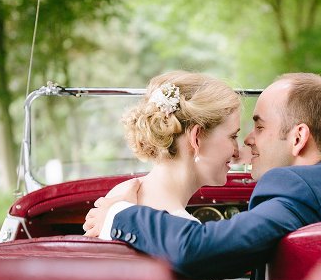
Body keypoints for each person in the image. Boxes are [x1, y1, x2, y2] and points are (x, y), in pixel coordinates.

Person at [83, 72, 321, 280]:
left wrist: (118, 214)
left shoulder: (295, 188)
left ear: (298, 138)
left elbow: (202, 249)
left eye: (258, 127)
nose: (247, 143)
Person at [99, 70, 242, 222]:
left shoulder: (118, 196)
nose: (237, 152)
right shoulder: (185, 231)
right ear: (196, 138)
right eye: (233, 136)